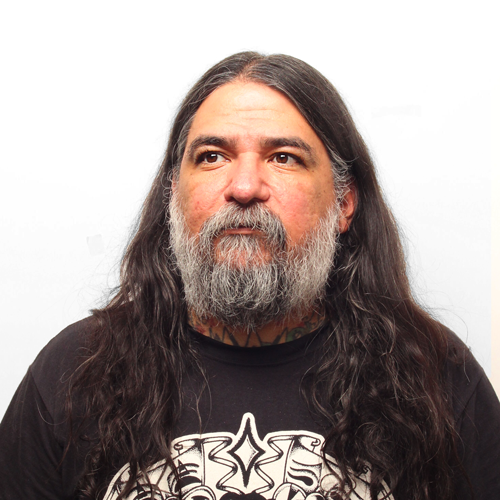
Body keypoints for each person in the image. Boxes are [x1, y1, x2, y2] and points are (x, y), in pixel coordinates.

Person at [0, 52, 498, 500]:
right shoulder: (73, 371)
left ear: (344, 203)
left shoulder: (436, 376)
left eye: (284, 158)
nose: (243, 187)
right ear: (174, 194)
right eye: (212, 156)